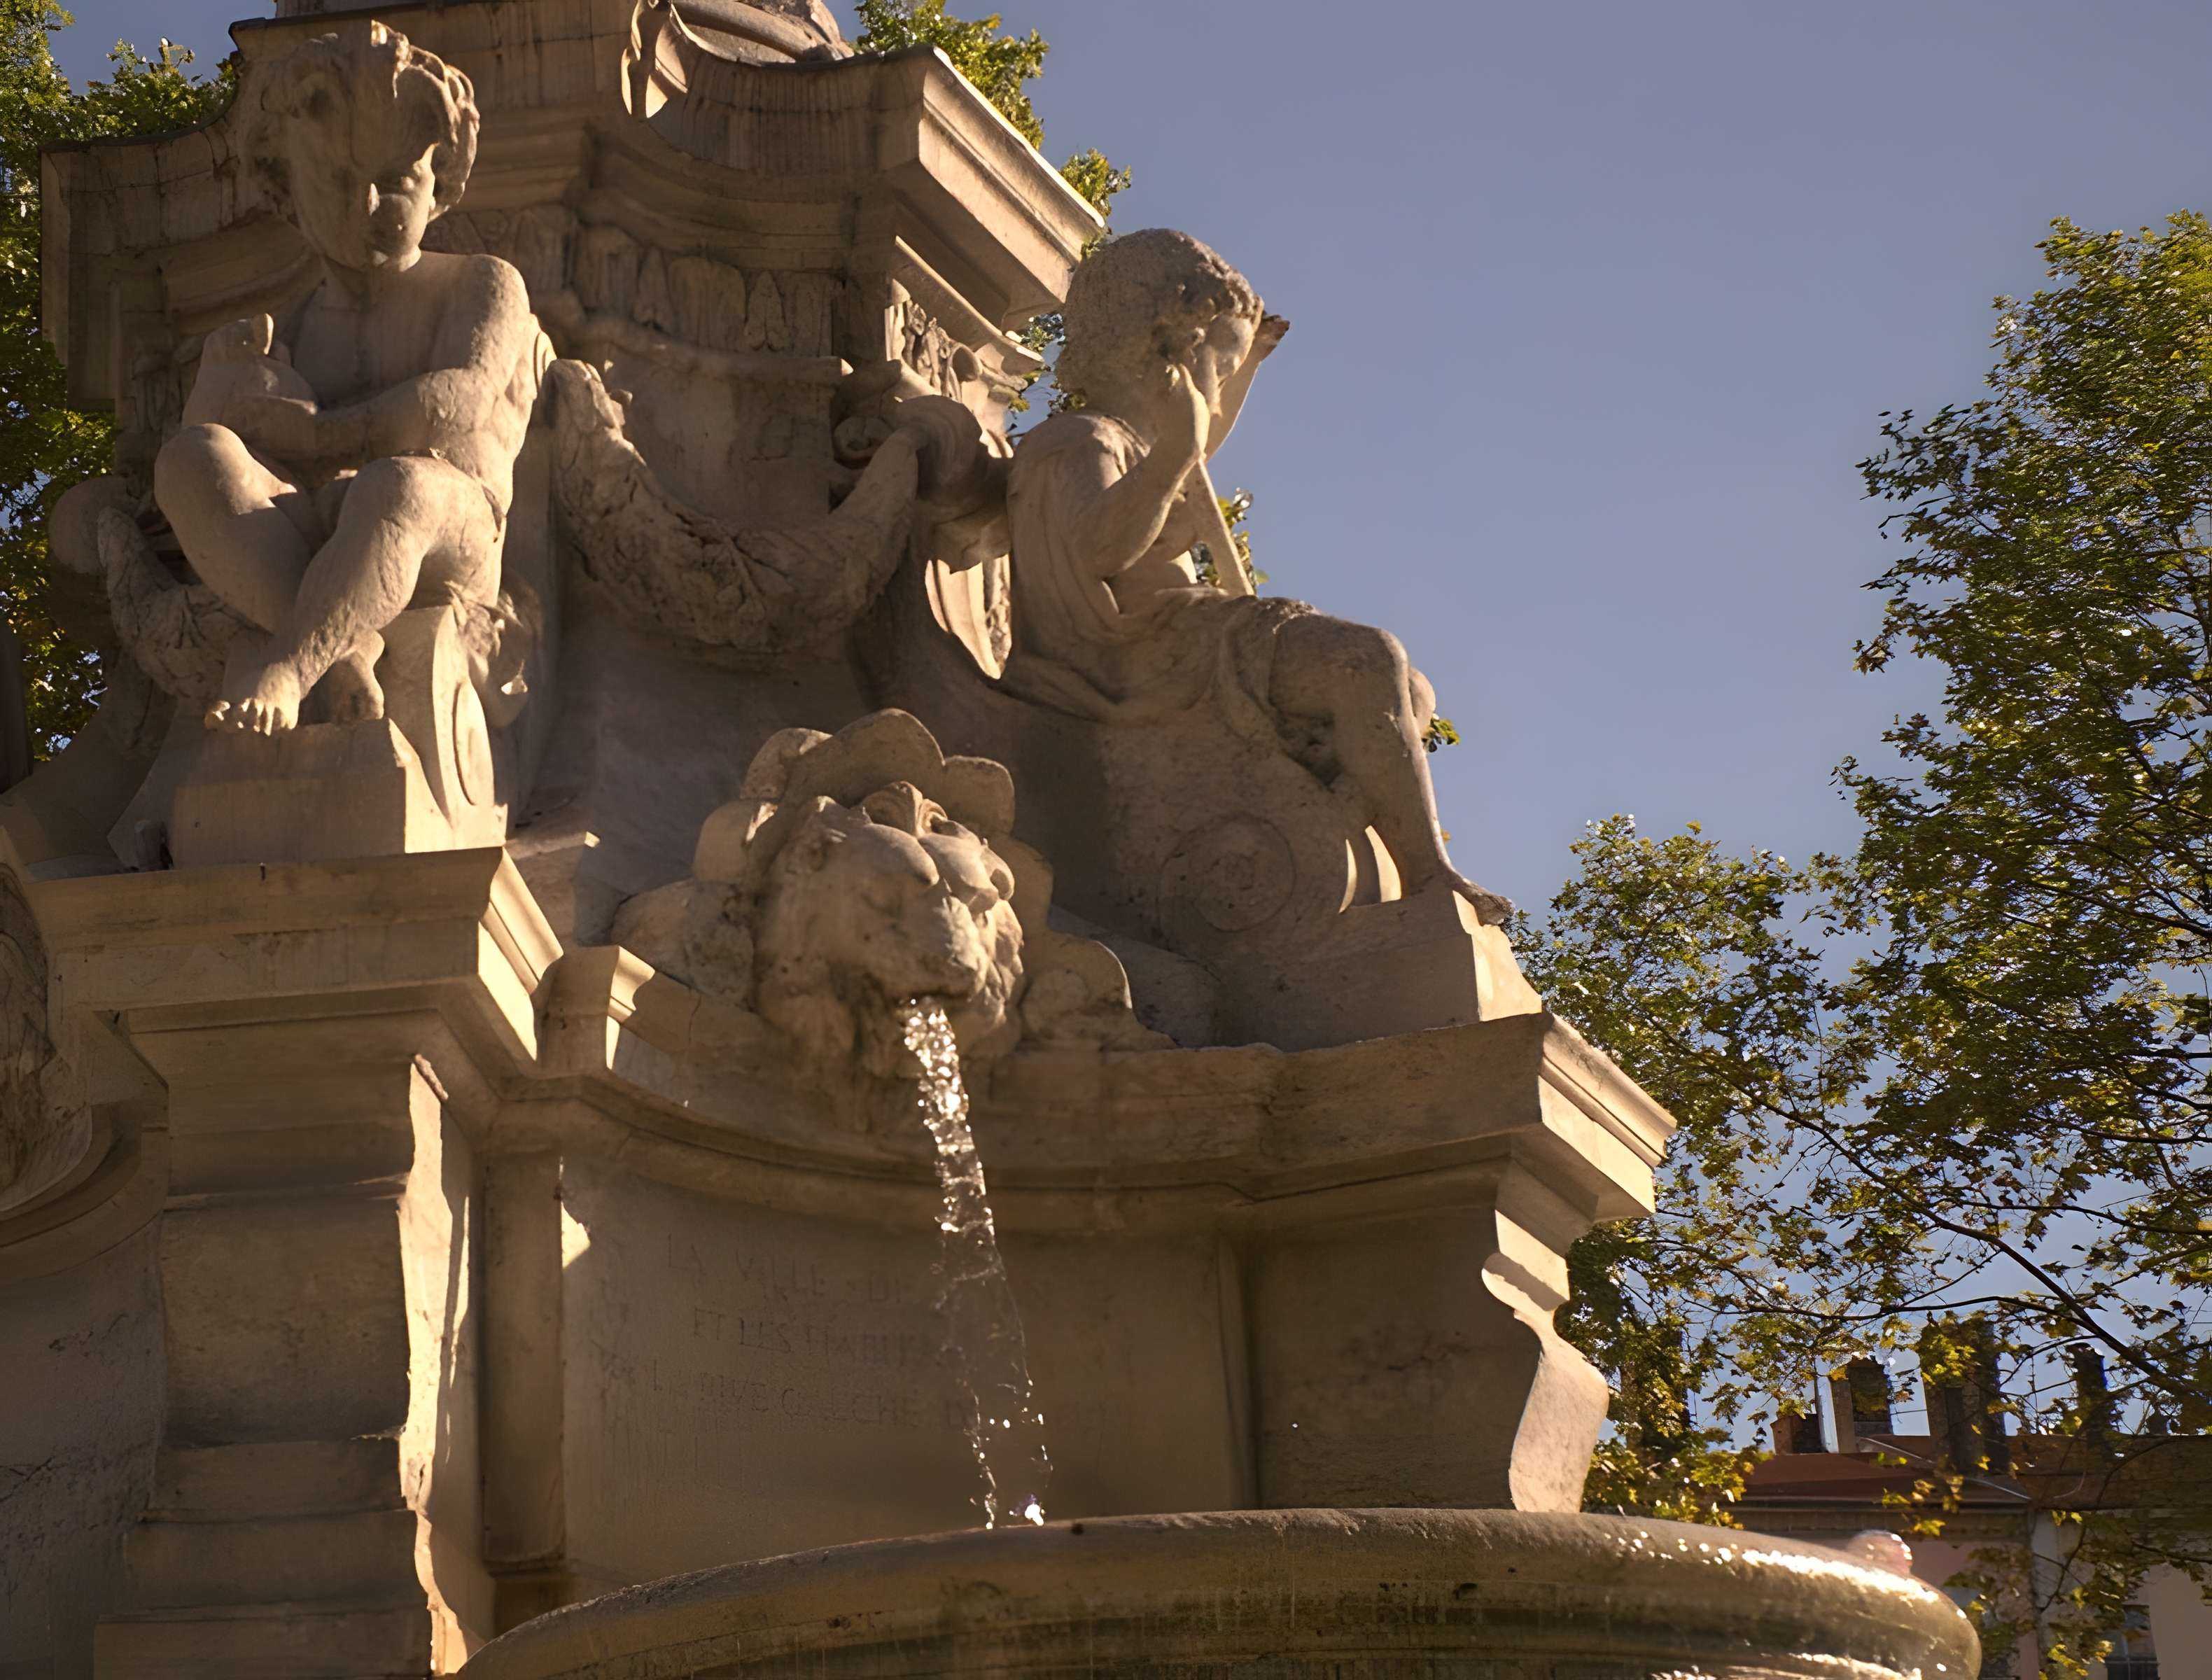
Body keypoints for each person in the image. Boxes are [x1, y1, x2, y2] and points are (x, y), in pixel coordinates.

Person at [1002, 229, 1507, 920]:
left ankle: (1322, 826)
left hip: (1183, 642)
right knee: (1365, 660)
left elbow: (1199, 442)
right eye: (1218, 367)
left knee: (1410, 694)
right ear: (1161, 351)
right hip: (1137, 654)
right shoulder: (1079, 440)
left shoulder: (1143, 447)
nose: (1216, 391)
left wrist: (1233, 381)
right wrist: (1174, 449)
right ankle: (1427, 874)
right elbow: (1097, 550)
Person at [153, 22, 540, 736]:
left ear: (441, 182)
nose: (367, 209)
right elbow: (221, 470)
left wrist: (317, 432)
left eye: (397, 182)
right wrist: (219, 394)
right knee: (191, 458)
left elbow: (461, 396)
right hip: (321, 521)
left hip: (449, 528)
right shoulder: (288, 326)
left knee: (398, 483)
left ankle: (293, 668)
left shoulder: (482, 283)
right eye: (335, 180)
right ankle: (344, 645)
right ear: (285, 186)